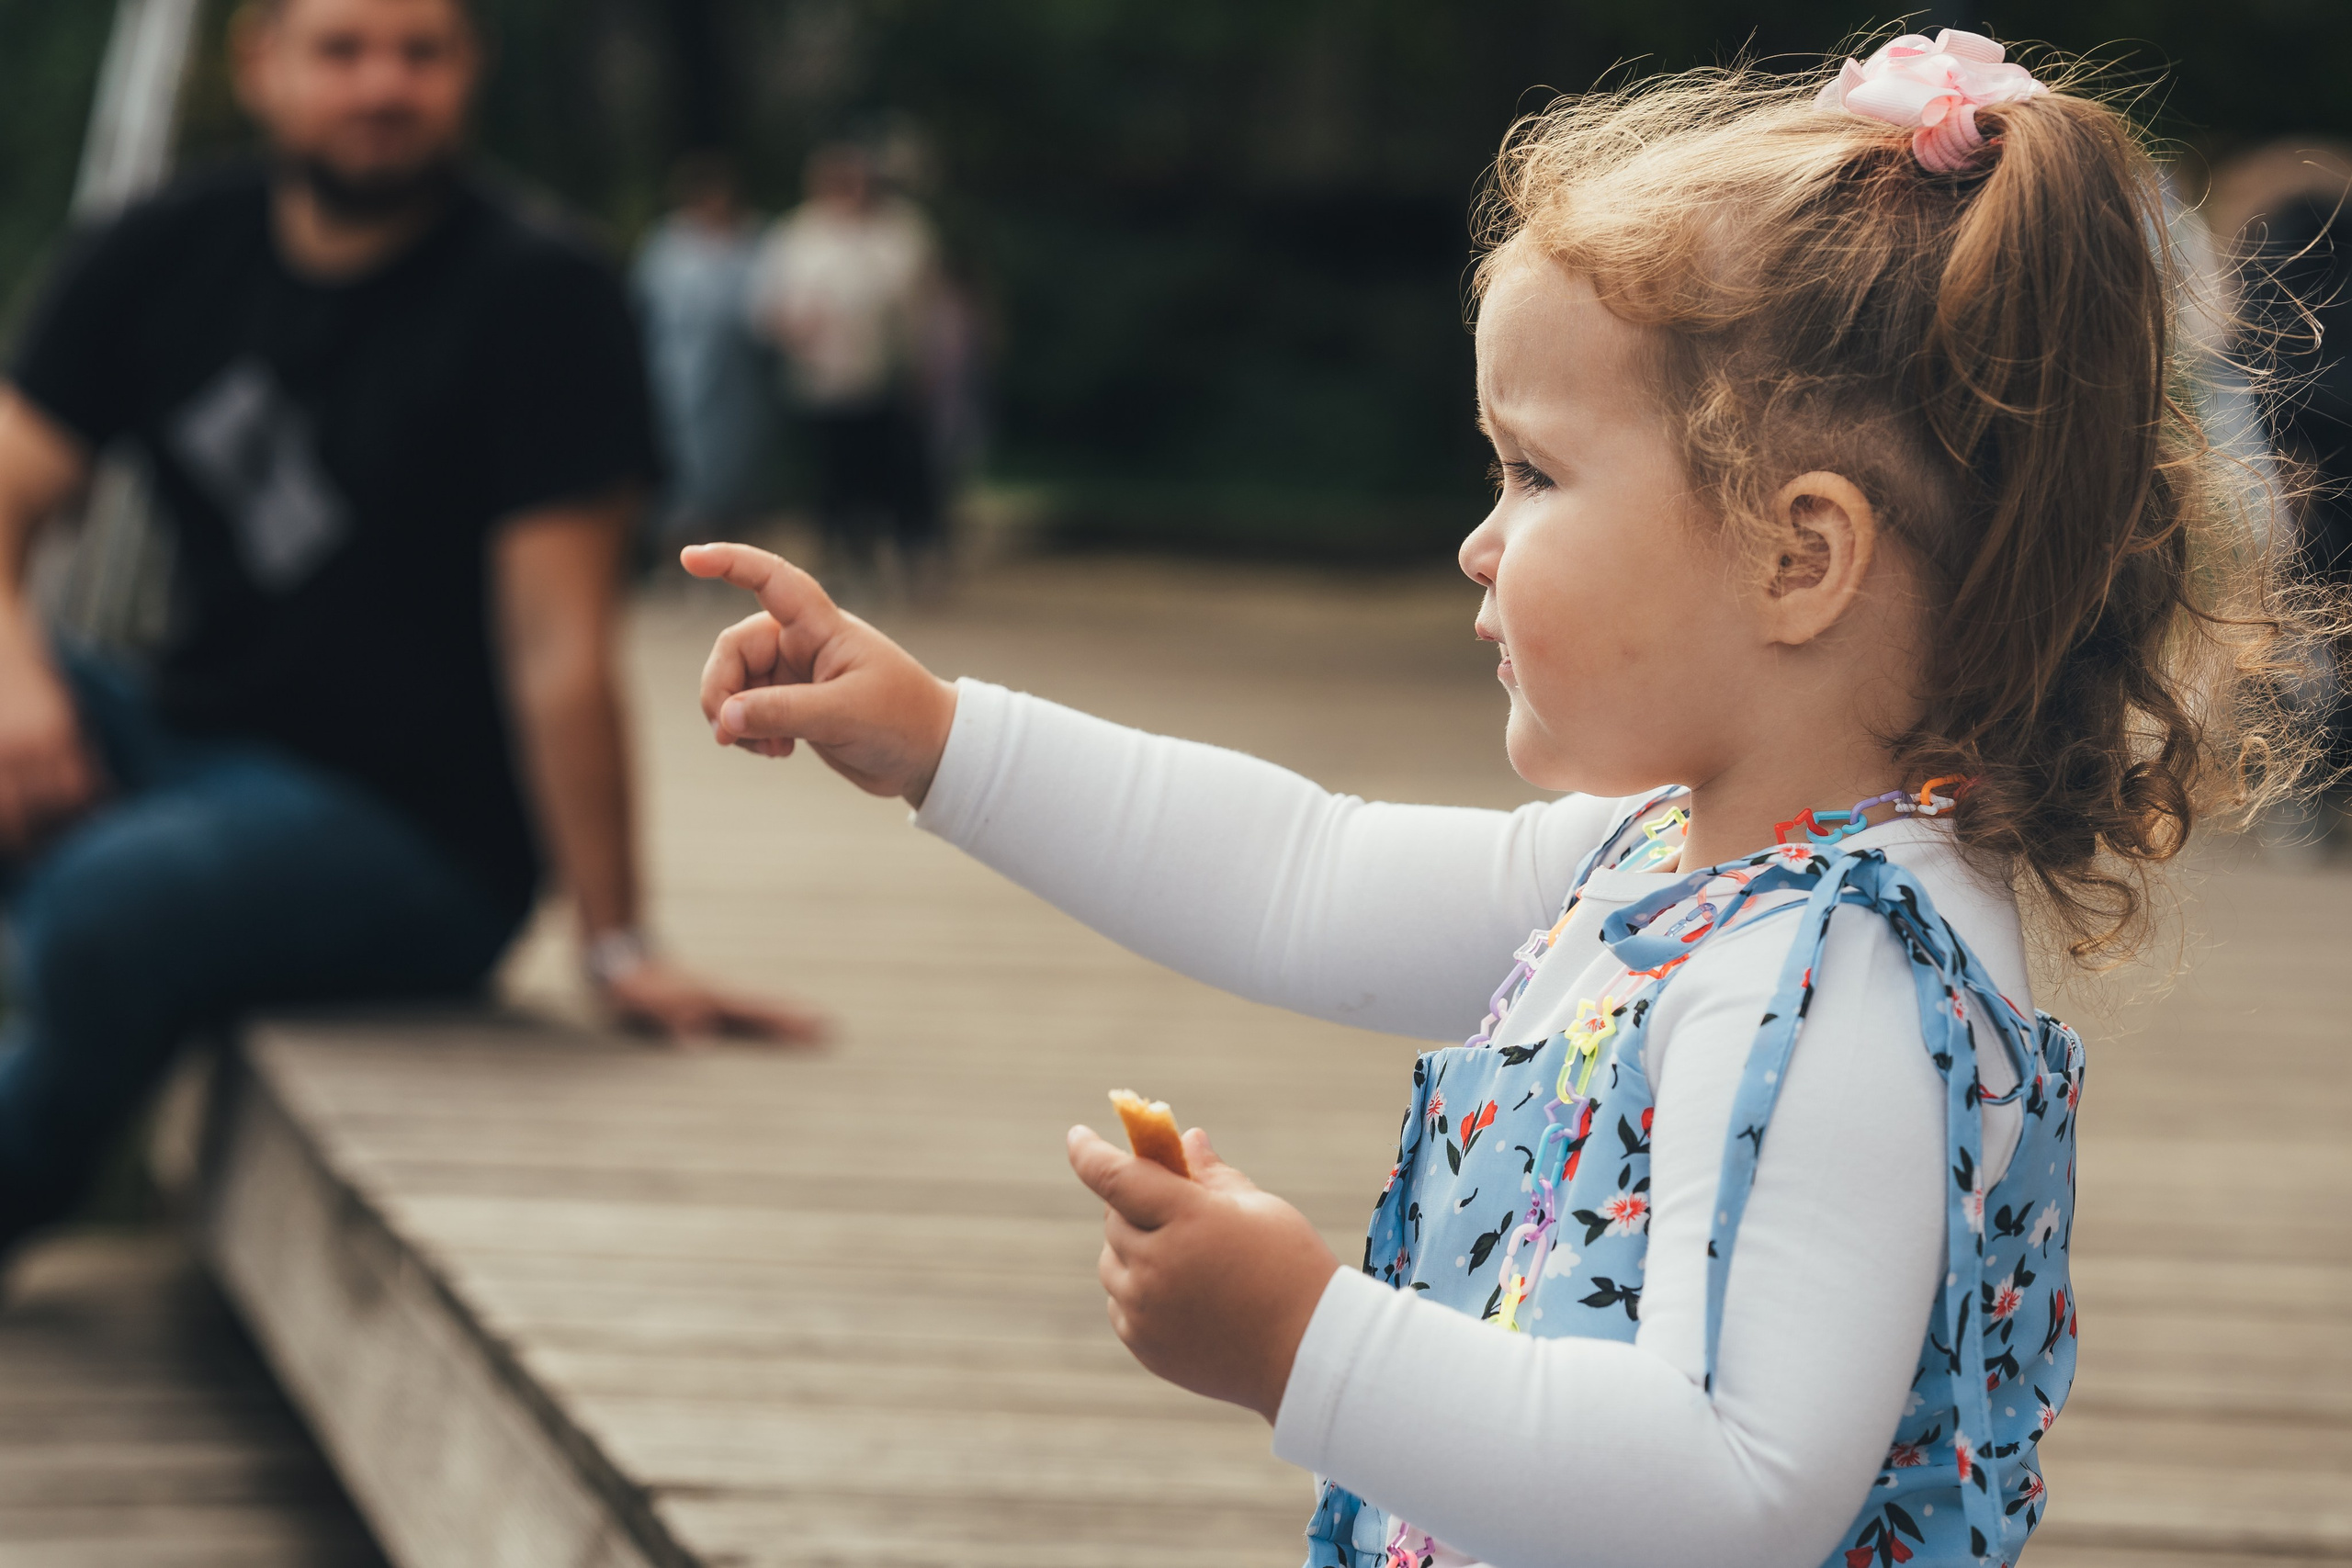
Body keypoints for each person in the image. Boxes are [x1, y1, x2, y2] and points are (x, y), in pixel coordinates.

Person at [679, 31, 2338, 1568]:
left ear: (1798, 555)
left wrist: (1304, 1339)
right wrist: (946, 739)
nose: (1480, 539)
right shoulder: (1676, 864)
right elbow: (1301, 874)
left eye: (1534, 474)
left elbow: (1739, 1484)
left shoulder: (1840, 975)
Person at [0, 0, 822, 1260]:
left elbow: (559, 650)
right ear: (262, 65)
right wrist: (18, 681)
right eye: (342, 50)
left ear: (468, 72)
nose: (382, 85)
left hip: (413, 834)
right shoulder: (161, 249)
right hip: (183, 736)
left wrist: (617, 943)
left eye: (420, 52)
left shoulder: (543, 294)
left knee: (112, 906)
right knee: (111, 886)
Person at [748, 142, 941, 599]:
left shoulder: (899, 231)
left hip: (884, 376)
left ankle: (904, 552)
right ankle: (844, 552)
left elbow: (920, 304)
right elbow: (768, 306)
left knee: (893, 468)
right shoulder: (796, 235)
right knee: (834, 472)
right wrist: (795, 329)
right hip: (822, 381)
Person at [633, 151, 770, 555]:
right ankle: (685, 543)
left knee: (740, 459)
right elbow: (645, 308)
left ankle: (735, 543)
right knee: (683, 458)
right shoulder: (666, 246)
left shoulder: (752, 240)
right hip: (679, 373)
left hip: (742, 377)